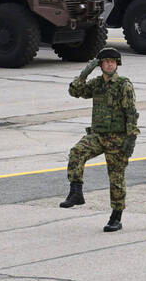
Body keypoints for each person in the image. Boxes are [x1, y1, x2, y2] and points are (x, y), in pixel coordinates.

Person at [59, 48, 138, 233]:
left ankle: (116, 217)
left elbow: (131, 114)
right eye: (106, 61)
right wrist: (86, 71)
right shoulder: (97, 84)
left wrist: (131, 139)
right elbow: (74, 91)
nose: (110, 64)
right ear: (100, 65)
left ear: (117, 64)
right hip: (98, 135)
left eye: (113, 61)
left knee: (116, 177)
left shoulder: (123, 85)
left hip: (117, 139)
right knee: (76, 152)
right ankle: (76, 191)